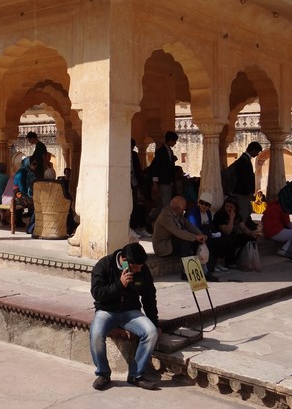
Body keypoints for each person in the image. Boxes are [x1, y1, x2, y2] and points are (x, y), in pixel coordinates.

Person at [89, 242, 160, 391]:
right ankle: (103, 374)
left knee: (151, 332)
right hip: (106, 311)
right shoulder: (104, 265)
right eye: (135, 267)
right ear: (124, 259)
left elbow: (149, 297)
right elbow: (97, 293)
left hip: (130, 311)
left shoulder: (142, 269)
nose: (139, 270)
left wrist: (155, 322)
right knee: (96, 333)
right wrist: (120, 284)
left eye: (141, 266)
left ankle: (136, 375)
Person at [152, 195, 216, 281]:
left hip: (172, 241)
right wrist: (195, 237)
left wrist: (200, 235)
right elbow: (177, 232)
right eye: (183, 208)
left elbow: (188, 225)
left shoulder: (178, 213)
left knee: (198, 242)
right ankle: (186, 272)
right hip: (163, 246)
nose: (185, 209)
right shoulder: (165, 216)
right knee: (184, 241)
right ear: (177, 208)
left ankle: (205, 271)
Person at [212, 196, 262, 269]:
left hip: (232, 236)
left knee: (248, 239)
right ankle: (227, 262)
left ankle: (237, 259)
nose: (228, 209)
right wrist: (231, 218)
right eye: (227, 206)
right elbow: (227, 232)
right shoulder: (220, 215)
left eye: (231, 207)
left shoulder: (237, 215)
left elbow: (244, 229)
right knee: (230, 240)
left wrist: (254, 234)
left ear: (235, 208)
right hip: (221, 237)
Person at [187, 193, 229, 273]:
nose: (203, 206)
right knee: (213, 243)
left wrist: (213, 233)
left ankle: (217, 263)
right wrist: (208, 235)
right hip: (198, 236)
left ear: (209, 206)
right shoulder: (194, 213)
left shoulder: (208, 213)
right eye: (201, 203)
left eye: (206, 204)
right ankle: (210, 266)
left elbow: (210, 226)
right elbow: (195, 228)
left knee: (224, 240)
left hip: (207, 235)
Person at [224, 142, 262, 222]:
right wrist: (249, 192)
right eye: (257, 152)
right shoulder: (243, 161)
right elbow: (243, 179)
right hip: (241, 193)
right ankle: (241, 231)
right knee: (243, 213)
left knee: (247, 210)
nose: (257, 154)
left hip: (243, 193)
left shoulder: (245, 160)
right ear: (253, 150)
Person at [148, 131, 178, 219]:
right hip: (163, 182)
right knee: (166, 205)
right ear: (170, 140)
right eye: (174, 141)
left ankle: (151, 217)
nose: (175, 143)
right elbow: (156, 167)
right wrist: (155, 182)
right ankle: (164, 222)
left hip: (168, 181)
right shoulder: (161, 151)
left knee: (163, 203)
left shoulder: (169, 151)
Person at [13, 157, 37, 229]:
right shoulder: (22, 172)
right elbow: (21, 187)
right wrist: (28, 196)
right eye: (34, 164)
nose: (36, 166)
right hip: (18, 194)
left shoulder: (29, 172)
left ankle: (21, 221)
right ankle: (32, 225)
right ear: (28, 164)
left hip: (21, 193)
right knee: (36, 203)